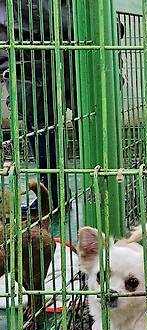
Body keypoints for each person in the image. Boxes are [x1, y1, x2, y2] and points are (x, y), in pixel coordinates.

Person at [0, 0, 74, 209]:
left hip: (31, 36)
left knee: (39, 118)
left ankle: (53, 194)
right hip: (54, 34)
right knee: (40, 118)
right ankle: (52, 193)